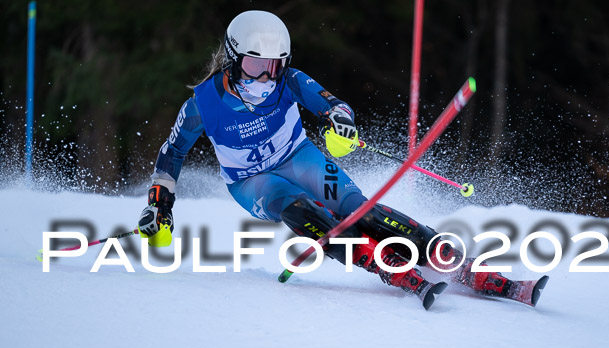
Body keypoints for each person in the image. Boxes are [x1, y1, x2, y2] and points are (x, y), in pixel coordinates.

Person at [137, 10, 545, 309]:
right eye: (256, 65)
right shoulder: (202, 105)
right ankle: (385, 266)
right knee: (299, 208)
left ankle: (450, 259)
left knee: (357, 209)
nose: (266, 77)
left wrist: (340, 124)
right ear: (233, 58)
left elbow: (334, 105)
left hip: (299, 156)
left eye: (275, 66)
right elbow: (171, 153)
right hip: (252, 181)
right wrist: (160, 204)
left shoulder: (289, 83)